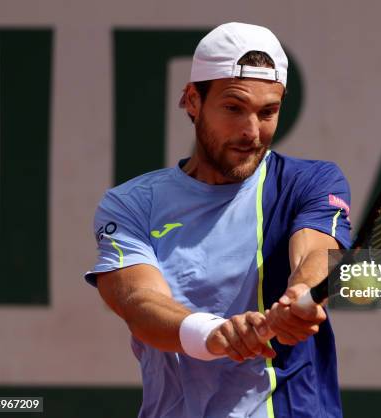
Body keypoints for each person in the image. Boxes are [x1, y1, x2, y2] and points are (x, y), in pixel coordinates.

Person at [85, 22, 351, 418]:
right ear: (192, 101)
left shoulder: (311, 182)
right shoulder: (130, 205)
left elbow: (316, 251)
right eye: (233, 108)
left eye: (268, 112)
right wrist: (214, 333)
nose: (251, 131)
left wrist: (300, 294)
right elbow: (138, 303)